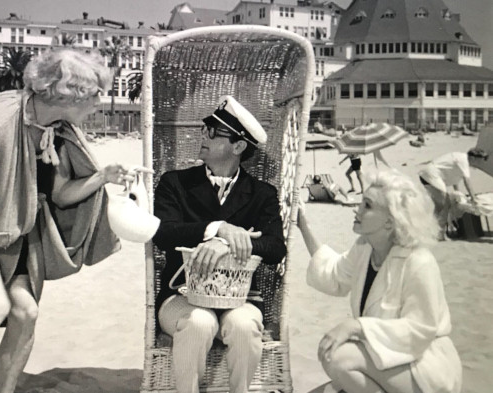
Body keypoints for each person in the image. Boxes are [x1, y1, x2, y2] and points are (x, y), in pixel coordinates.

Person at [0, 48, 144, 393]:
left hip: (17, 239)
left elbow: (62, 194)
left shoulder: (55, 130)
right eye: (95, 95)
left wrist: (102, 177)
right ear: (69, 93)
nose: (98, 103)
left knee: (26, 314)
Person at [152, 95, 288, 393]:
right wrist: (218, 229)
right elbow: (162, 233)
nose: (203, 135)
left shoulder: (262, 193)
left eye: (213, 131)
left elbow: (276, 247)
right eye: (205, 128)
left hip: (241, 298)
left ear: (238, 146)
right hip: (181, 294)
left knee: (243, 327)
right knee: (199, 323)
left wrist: (227, 245)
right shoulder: (175, 183)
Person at [297, 169, 462, 393]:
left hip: (424, 367)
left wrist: (356, 326)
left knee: (338, 357)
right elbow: (332, 272)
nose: (357, 209)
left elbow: (421, 329)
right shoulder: (365, 248)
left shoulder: (419, 262)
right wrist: (302, 223)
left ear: (390, 221)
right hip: (384, 363)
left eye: (368, 206)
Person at [418, 148, 486, 238]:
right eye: (479, 161)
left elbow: (454, 178)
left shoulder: (460, 159)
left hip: (427, 175)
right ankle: (438, 234)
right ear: (473, 158)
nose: (479, 164)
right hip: (432, 175)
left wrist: (457, 192)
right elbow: (467, 181)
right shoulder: (463, 160)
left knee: (440, 206)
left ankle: (431, 230)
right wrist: (473, 198)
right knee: (444, 204)